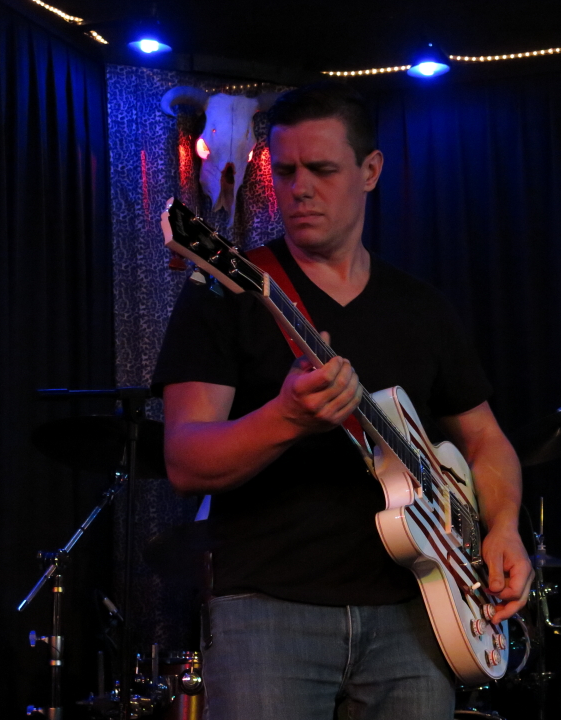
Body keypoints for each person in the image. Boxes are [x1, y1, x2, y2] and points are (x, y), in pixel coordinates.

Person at [152, 82, 532, 720]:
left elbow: (487, 441)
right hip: (266, 613)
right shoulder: (225, 291)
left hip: (417, 614)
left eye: (322, 170)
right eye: (286, 170)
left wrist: (503, 528)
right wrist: (285, 419)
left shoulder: (420, 307)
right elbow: (185, 460)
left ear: (371, 171)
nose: (299, 189)